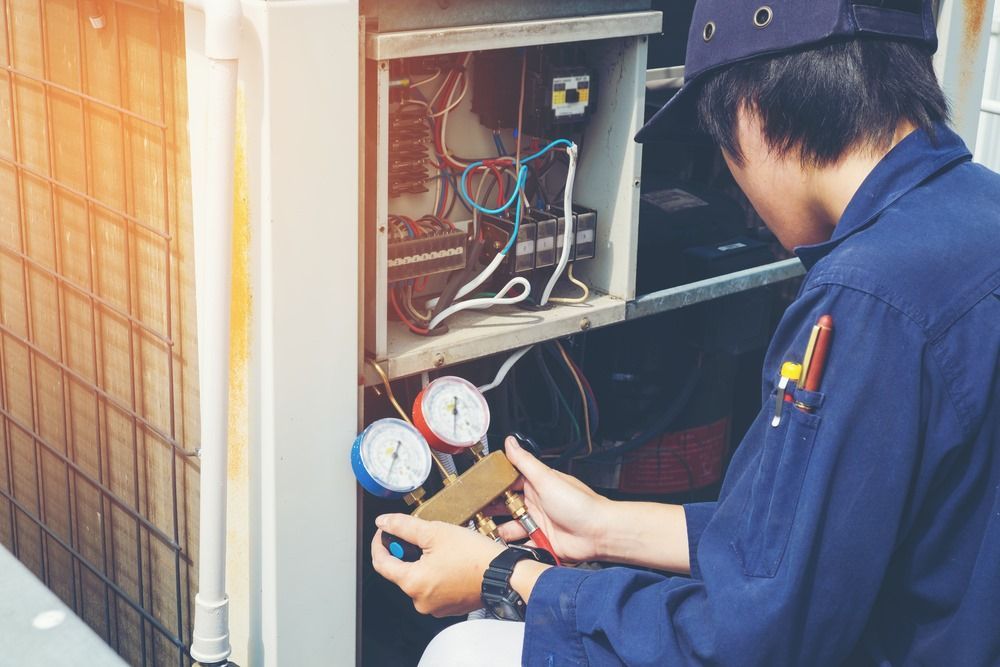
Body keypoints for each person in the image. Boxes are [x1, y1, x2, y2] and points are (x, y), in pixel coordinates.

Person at [372, 0, 1000, 663]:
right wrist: (603, 525)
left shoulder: (863, 299)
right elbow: (812, 544)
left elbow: (753, 638)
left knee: (464, 649)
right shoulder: (979, 210)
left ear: (752, 110)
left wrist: (509, 576)